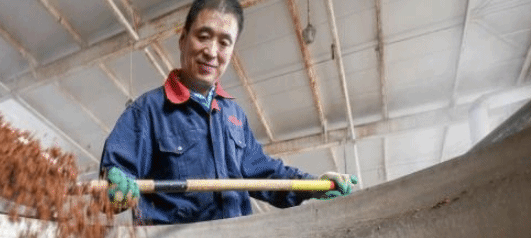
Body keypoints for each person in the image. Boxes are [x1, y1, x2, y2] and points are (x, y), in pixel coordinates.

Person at [100, 0, 357, 225]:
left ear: (232, 52)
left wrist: (314, 185)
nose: (212, 52)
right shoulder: (147, 111)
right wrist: (116, 187)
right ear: (183, 39)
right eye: (203, 36)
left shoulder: (233, 115)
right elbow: (113, 178)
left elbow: (267, 173)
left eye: (224, 42)